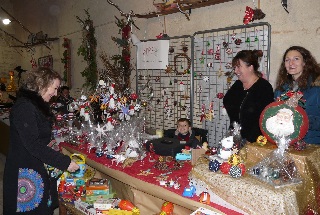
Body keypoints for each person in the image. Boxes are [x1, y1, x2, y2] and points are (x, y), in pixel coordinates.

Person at [3, 67, 79, 214]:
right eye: (55, 88)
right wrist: (65, 162)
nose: (56, 93)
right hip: (25, 171)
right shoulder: (24, 108)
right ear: (42, 84)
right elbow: (34, 144)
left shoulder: (35, 105)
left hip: (34, 167)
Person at [223, 50, 274, 143]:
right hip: (234, 137)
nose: (235, 71)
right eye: (234, 67)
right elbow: (227, 101)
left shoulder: (264, 87)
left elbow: (266, 118)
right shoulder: (238, 84)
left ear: (250, 67)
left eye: (239, 67)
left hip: (254, 141)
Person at [274, 46, 320, 144]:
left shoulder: (317, 87)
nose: (291, 63)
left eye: (296, 59)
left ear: (305, 63)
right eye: (287, 60)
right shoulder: (280, 90)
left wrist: (300, 118)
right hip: (285, 144)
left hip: (311, 146)